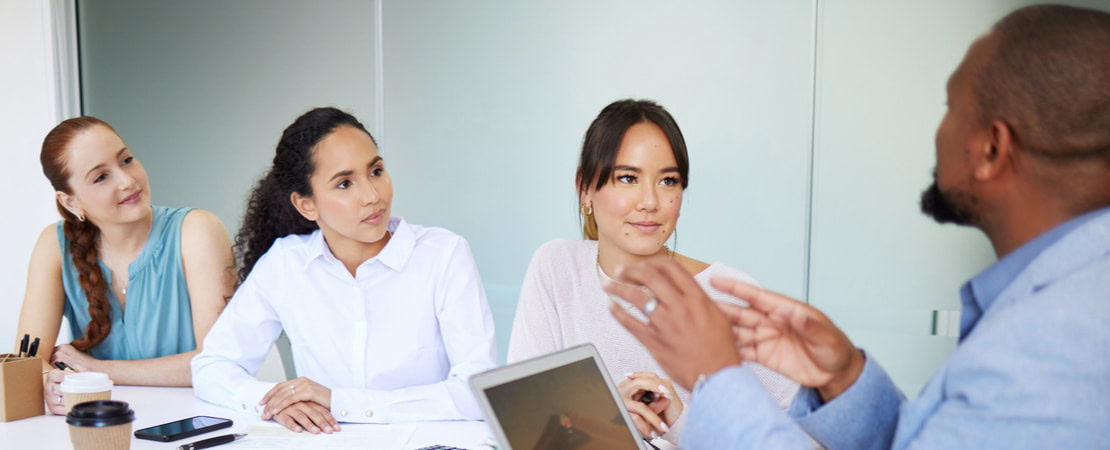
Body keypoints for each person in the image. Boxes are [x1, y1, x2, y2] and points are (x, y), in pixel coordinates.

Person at [602, 4, 1110, 449]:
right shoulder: (1063, 307)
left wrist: (715, 377)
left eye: (949, 106)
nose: (649, 202)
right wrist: (846, 380)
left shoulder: (1058, 344)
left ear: (991, 149)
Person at [191, 107, 499, 434]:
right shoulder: (286, 263)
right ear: (306, 204)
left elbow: (476, 391)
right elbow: (211, 367)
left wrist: (339, 402)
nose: (372, 196)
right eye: (344, 184)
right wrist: (279, 401)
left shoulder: (444, 255)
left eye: (376, 171)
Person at [507, 99, 798, 444]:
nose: (650, 202)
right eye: (628, 178)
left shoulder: (728, 294)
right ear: (585, 189)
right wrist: (608, 422)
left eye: (668, 181)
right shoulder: (557, 267)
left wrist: (679, 423)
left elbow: (799, 440)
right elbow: (524, 425)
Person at [16, 116, 236, 415]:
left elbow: (218, 362)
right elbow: (27, 360)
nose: (128, 181)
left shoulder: (197, 230)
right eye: (101, 177)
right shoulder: (54, 245)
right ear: (71, 203)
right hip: (101, 426)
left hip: (196, 421)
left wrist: (98, 370)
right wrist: (52, 381)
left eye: (127, 160)